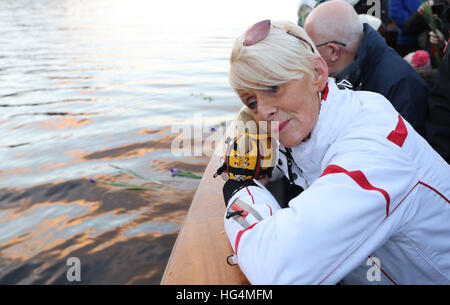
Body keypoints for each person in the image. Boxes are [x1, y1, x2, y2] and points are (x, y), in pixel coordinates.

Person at [222, 19, 450, 284]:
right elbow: (303, 158)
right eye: (252, 101)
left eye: (274, 86)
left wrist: (240, 187)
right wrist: (258, 154)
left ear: (318, 73)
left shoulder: (373, 154)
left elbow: (274, 271)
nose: (264, 111)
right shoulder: (335, 110)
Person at [304, 0, 429, 135]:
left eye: (311, 49)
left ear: (333, 52)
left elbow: (402, 151)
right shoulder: (355, 73)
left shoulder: (400, 86)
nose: (309, 57)